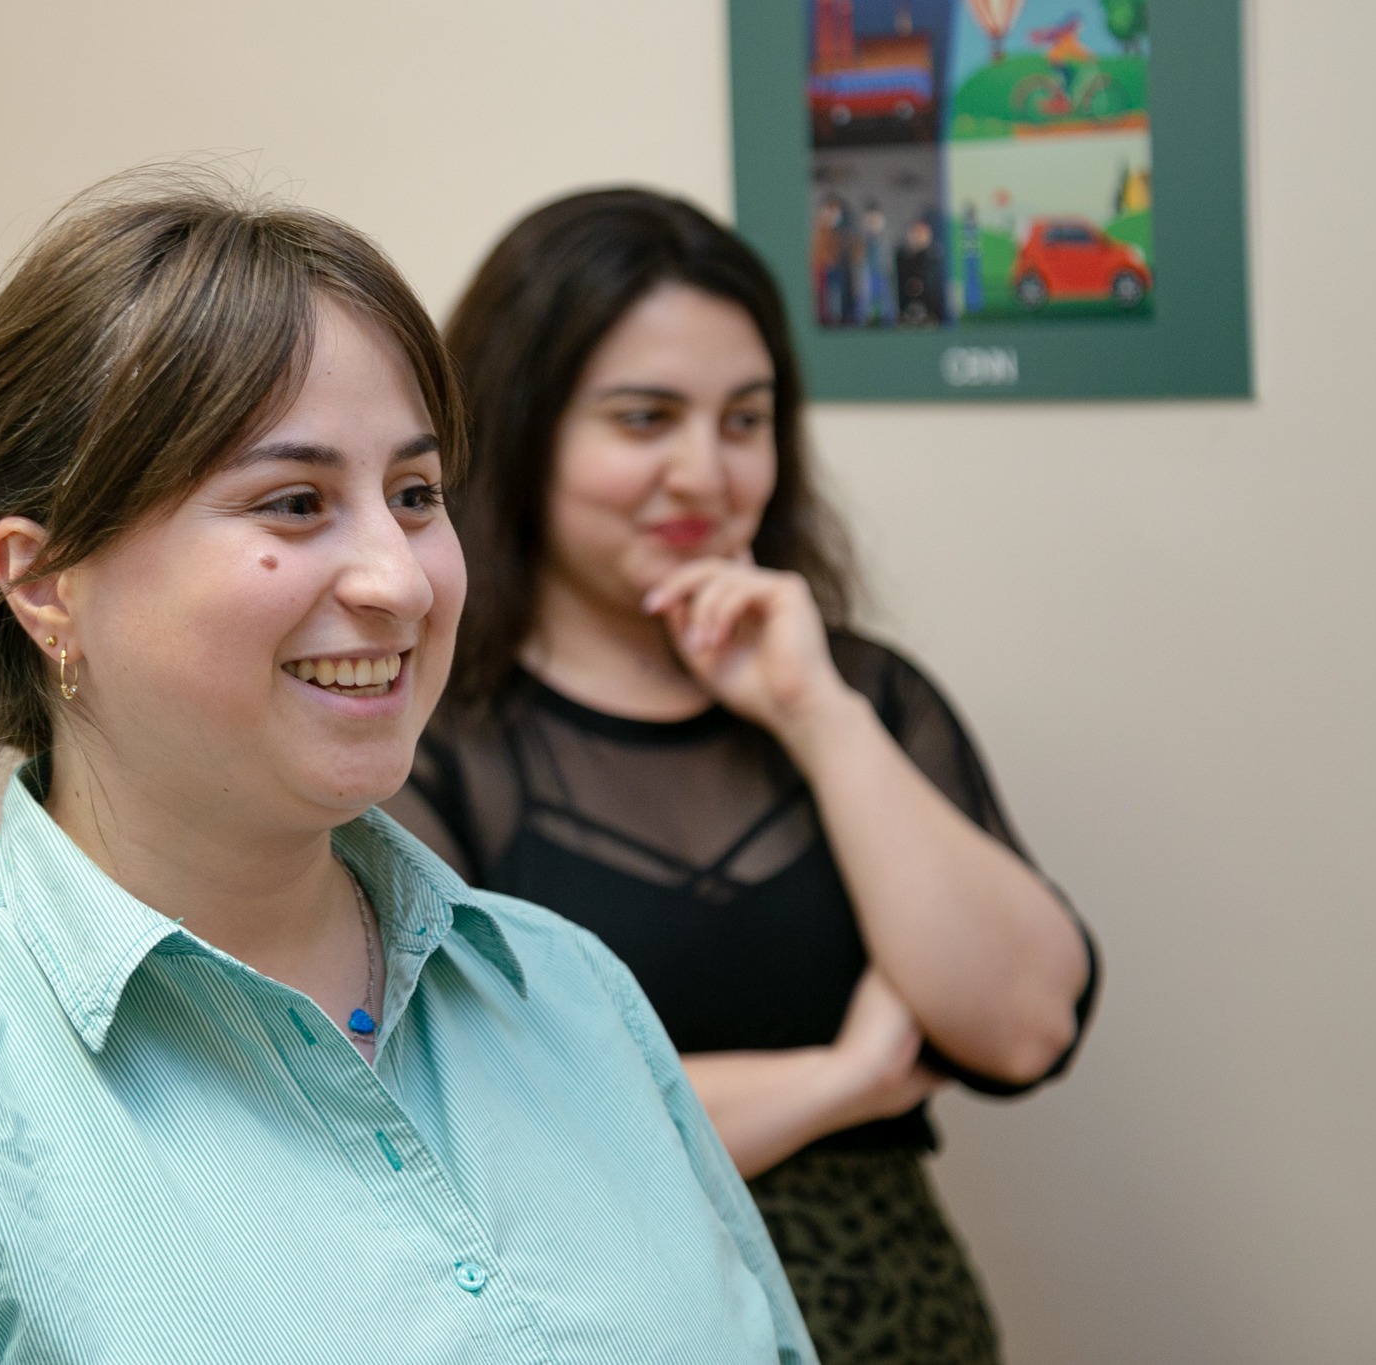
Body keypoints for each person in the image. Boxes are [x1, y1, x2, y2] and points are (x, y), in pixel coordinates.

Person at [0, 173, 815, 1364]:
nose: (400, 580)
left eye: (414, 495)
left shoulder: (569, 996)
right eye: (294, 503)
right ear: (42, 583)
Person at [385, 188, 1099, 1365]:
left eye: (744, 420)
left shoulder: (862, 694)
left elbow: (1022, 1026)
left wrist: (812, 712)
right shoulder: (424, 736)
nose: (703, 474)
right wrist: (844, 1080)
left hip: (901, 1322)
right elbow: (480, 1129)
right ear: (521, 430)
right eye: (643, 418)